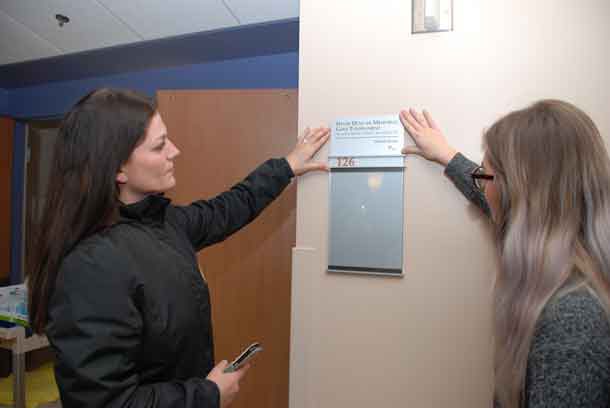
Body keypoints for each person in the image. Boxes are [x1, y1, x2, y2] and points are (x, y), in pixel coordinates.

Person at [26, 88, 330, 408]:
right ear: (117, 169)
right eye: (159, 146)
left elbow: (226, 209)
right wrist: (208, 395)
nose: (175, 151)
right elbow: (106, 402)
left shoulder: (164, 222)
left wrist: (286, 166)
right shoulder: (91, 267)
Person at [400, 100, 610, 408]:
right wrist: (446, 155)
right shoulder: (576, 267)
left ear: (523, 195)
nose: (483, 187)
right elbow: (495, 200)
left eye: (487, 175)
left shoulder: (572, 321)